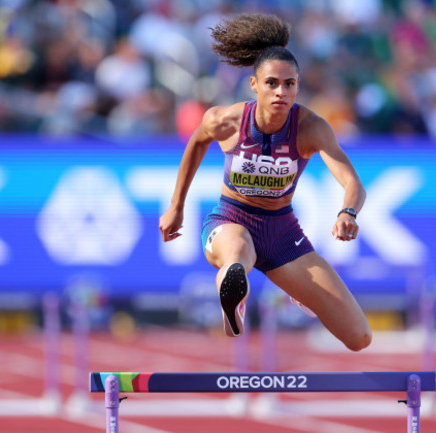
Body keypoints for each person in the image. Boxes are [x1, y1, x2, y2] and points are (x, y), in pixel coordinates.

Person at [158, 13, 371, 351]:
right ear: (254, 85)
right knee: (238, 253)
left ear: (298, 85)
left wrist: (348, 212)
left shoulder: (310, 127)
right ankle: (234, 294)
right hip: (231, 220)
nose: (281, 92)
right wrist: (176, 206)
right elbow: (197, 142)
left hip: (282, 233)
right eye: (272, 83)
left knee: (359, 337)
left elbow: (353, 183)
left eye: (290, 84)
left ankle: (286, 286)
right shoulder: (226, 120)